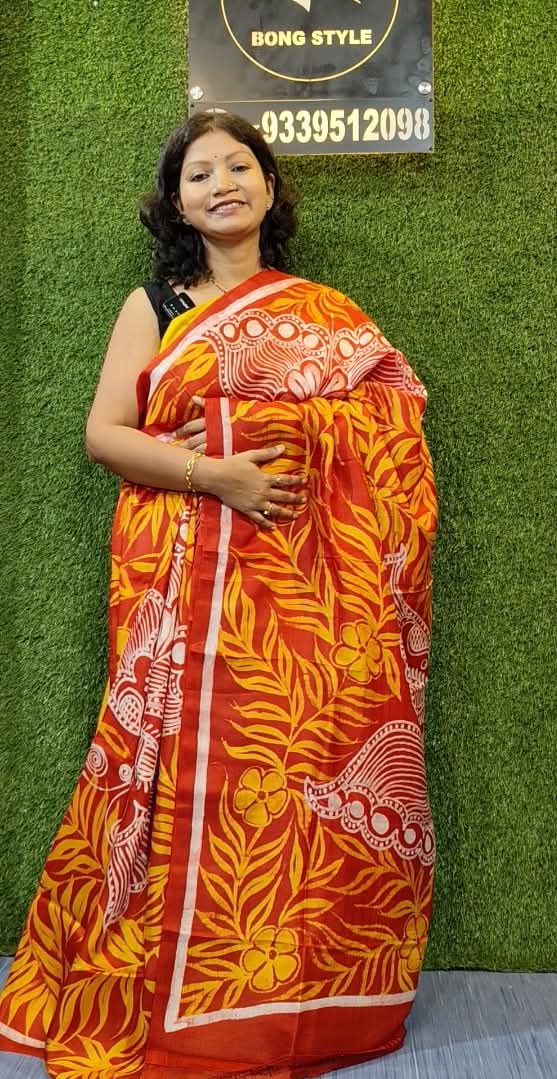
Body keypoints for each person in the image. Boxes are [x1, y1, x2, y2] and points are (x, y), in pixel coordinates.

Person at [0, 110, 437, 1078]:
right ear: (177, 202)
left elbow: (394, 426)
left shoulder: (329, 316)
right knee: (169, 775)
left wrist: (292, 443)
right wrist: (218, 473)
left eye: (239, 166)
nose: (222, 184)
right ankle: (165, 999)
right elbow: (106, 435)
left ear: (270, 188)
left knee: (298, 780)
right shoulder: (155, 305)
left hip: (306, 606)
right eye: (199, 174)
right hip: (178, 580)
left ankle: (302, 1002)